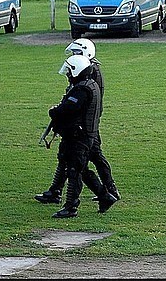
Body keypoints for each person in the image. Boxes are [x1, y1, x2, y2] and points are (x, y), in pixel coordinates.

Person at [34, 38, 120, 205]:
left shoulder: (89, 75)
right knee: (69, 159)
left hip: (85, 126)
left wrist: (61, 112)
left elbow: (81, 104)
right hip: (85, 125)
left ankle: (108, 191)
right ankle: (57, 191)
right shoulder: (86, 74)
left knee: (84, 161)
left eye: (77, 53)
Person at [48, 55, 117, 218]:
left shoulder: (82, 90)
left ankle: (71, 206)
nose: (68, 75)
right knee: (80, 169)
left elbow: (68, 109)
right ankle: (104, 196)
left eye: (69, 72)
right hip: (81, 135)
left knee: (74, 170)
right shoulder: (89, 85)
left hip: (78, 136)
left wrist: (54, 111)